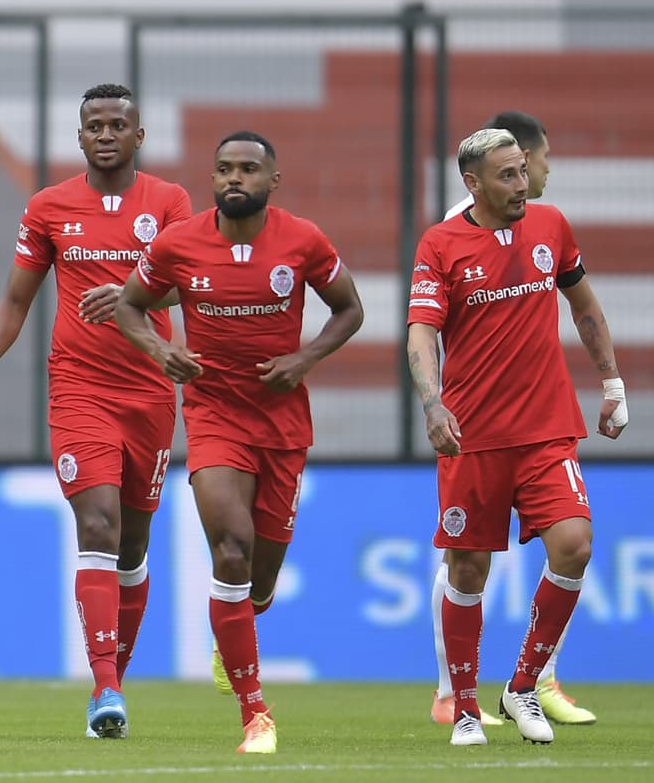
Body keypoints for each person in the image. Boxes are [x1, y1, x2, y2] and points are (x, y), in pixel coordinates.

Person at [115, 131, 364, 754]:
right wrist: (161, 351)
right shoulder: (178, 243)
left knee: (260, 577)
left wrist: (304, 359)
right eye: (224, 168)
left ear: (272, 180)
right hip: (213, 416)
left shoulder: (303, 240)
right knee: (230, 549)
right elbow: (129, 306)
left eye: (249, 169)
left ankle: (237, 629)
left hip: (282, 424)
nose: (235, 177)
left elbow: (350, 309)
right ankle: (256, 715)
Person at [0, 83, 192, 739]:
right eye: (95, 125)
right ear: (80, 135)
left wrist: (134, 292)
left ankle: (112, 681)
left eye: (118, 124)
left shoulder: (169, 202)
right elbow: (16, 298)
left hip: (149, 389)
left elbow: (190, 281)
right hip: (79, 389)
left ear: (139, 135)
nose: (106, 134)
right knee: (98, 522)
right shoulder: (49, 206)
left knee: (134, 544)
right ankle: (105, 687)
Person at [406, 128, 627, 747]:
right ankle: (465, 707)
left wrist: (612, 383)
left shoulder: (551, 226)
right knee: (468, 569)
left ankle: (524, 684)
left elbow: (585, 305)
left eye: (523, 170)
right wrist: (433, 403)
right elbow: (421, 331)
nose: (522, 184)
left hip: (547, 430)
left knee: (575, 546)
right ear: (472, 184)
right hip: (472, 436)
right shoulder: (441, 244)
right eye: (507, 175)